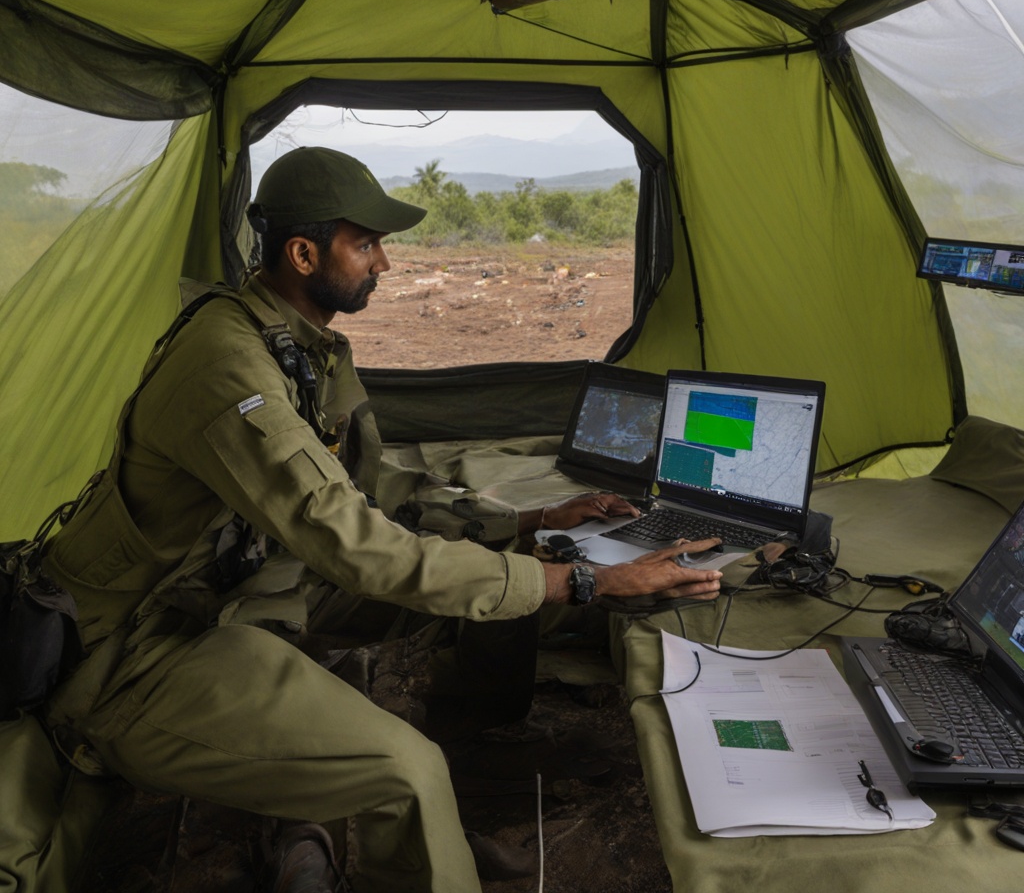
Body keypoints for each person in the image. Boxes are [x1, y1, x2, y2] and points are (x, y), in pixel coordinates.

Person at [43, 146, 722, 893]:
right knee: (406, 769)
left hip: (251, 578)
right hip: (143, 645)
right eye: (366, 245)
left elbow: (371, 485)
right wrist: (584, 582)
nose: (385, 264)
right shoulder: (226, 362)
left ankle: (469, 775)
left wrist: (530, 521)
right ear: (303, 254)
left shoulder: (298, 344)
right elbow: (358, 546)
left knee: (507, 590)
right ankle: (415, 811)